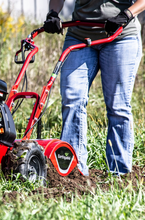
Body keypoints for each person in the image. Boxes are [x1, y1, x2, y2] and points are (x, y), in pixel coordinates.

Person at [44, 0, 145, 176]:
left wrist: (126, 15)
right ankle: (73, 172)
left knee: (117, 106)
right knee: (72, 100)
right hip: (79, 34)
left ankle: (119, 173)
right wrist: (53, 13)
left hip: (121, 36)